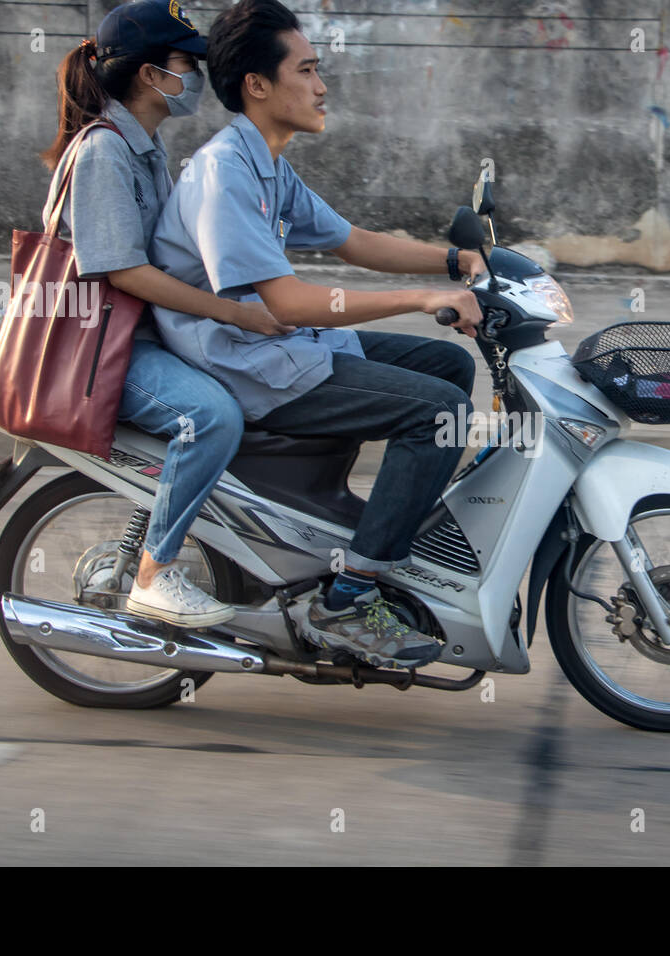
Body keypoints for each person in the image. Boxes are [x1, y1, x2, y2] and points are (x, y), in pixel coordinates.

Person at [148, 0, 487, 670]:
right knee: (439, 411)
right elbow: (293, 300)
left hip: (280, 348)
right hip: (245, 364)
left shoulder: (269, 162)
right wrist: (423, 297)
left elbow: (353, 242)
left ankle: (386, 533)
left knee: (448, 368)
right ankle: (350, 597)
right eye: (307, 70)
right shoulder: (226, 172)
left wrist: (457, 262)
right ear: (258, 85)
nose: (322, 85)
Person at [40, 0, 294, 627]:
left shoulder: (143, 145)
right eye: (188, 63)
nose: (197, 79)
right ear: (152, 75)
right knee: (210, 417)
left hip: (132, 340)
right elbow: (124, 270)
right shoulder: (105, 150)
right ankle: (155, 573)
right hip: (100, 354)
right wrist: (234, 316)